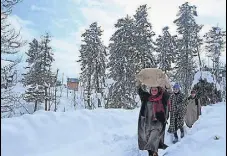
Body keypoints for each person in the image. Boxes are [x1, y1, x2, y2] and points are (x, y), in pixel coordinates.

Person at [137, 81, 170, 156]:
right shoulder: (146, 98)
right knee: (149, 141)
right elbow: (140, 91)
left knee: (153, 138)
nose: (154, 91)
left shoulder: (162, 98)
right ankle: (153, 153)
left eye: (155, 90)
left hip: (158, 124)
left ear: (158, 90)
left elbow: (167, 93)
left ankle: (154, 153)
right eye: (152, 90)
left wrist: (165, 85)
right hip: (147, 124)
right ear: (150, 90)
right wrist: (139, 84)